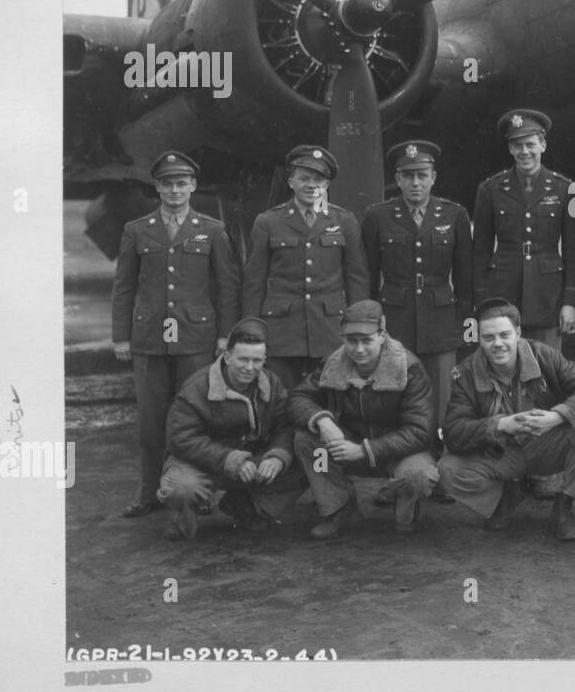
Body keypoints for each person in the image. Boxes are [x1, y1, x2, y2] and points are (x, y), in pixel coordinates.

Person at [111, 150, 240, 518]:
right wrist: (121, 336)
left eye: (181, 183)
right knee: (151, 422)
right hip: (149, 339)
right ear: (157, 187)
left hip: (196, 338)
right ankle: (149, 493)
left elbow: (226, 286)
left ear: (193, 186)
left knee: (199, 419)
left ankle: (200, 493)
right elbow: (124, 286)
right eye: (167, 184)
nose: (174, 190)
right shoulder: (137, 230)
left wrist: (224, 336)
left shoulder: (212, 229)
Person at [437, 299, 575, 541]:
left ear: (518, 333)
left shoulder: (543, 355)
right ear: (478, 338)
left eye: (504, 335)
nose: (497, 344)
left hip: (546, 443)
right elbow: (453, 432)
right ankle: (505, 497)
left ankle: (564, 505)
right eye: (488, 337)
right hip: (501, 452)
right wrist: (500, 425)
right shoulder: (466, 373)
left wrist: (557, 415)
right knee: (448, 469)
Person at [288, 300, 439, 539]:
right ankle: (340, 508)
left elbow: (420, 432)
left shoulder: (409, 368)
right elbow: (298, 398)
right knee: (306, 439)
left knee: (417, 475)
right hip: (350, 444)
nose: (358, 349)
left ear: (382, 335)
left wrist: (364, 450)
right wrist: (323, 420)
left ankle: (405, 505)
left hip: (399, 452)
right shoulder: (333, 363)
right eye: (351, 341)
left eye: (367, 340)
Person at [158, 317, 305, 540]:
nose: (250, 367)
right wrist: (230, 459)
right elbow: (180, 439)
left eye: (257, 361)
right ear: (227, 357)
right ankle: (182, 519)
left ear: (265, 359)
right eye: (243, 359)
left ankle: (246, 506)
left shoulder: (272, 383)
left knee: (311, 459)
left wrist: (277, 456)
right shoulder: (197, 387)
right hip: (205, 464)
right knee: (182, 487)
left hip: (252, 462)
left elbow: (285, 426)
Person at [361, 140, 473, 423]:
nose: (415, 182)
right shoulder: (377, 216)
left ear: (433, 177)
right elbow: (368, 275)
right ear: (397, 179)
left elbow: (464, 276)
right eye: (408, 176)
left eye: (422, 175)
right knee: (394, 390)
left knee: (443, 395)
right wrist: (371, 321)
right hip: (395, 318)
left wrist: (462, 320)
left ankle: (442, 450)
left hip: (441, 319)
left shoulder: (454, 214)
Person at [242, 145, 370, 388]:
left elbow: (357, 279)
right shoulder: (268, 221)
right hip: (282, 331)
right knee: (281, 401)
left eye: (319, 179)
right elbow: (254, 282)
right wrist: (251, 331)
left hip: (329, 330)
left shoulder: (343, 220)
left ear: (327, 184)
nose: (312, 185)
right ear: (291, 182)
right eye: (304, 178)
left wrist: (359, 328)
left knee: (329, 399)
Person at [472, 109, 575, 347]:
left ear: (542, 145)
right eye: (517, 145)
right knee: (503, 364)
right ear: (510, 149)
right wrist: (481, 302)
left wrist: (570, 302)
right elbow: (480, 251)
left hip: (548, 295)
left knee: (547, 368)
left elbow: (573, 251)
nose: (524, 152)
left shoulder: (565, 189)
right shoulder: (490, 189)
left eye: (530, 144)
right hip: (503, 294)